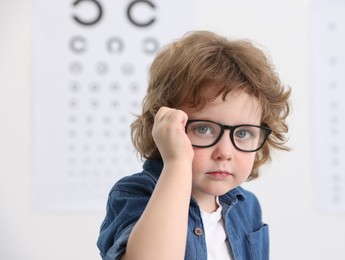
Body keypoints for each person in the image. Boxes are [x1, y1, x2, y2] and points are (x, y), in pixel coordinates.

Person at [97, 30, 291, 260]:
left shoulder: (246, 206)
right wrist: (177, 162)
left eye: (243, 133)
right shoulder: (135, 194)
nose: (224, 153)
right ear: (164, 126)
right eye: (204, 129)